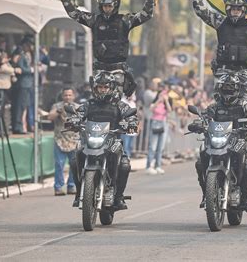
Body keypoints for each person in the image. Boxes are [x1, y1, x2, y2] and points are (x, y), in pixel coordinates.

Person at [54, 0, 158, 97]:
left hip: (118, 70)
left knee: (116, 101)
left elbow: (146, 15)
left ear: (115, 5)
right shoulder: (94, 20)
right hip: (100, 68)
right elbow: (74, 14)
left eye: (109, 5)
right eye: (104, 6)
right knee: (98, 101)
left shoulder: (125, 20)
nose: (107, 8)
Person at [189, 73, 247, 212]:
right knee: (200, 162)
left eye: (231, 88)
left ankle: (244, 200)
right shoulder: (214, 107)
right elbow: (204, 117)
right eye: (225, 88)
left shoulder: (244, 105)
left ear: (237, 89)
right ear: (220, 89)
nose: (228, 91)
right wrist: (198, 123)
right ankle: (206, 194)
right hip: (216, 140)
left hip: (238, 140)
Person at [68, 72, 138, 209]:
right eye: (100, 87)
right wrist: (74, 120)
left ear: (111, 88)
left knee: (124, 165)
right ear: (95, 88)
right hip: (90, 140)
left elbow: (131, 115)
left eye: (105, 87)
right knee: (74, 161)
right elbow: (79, 113)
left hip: (112, 141)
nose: (103, 90)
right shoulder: (89, 104)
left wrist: (131, 122)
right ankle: (78, 193)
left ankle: (118, 197)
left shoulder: (119, 104)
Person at [48, 88, 80, 196]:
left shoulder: (78, 107)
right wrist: (58, 111)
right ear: (62, 96)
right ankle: (58, 187)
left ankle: (71, 186)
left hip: (74, 140)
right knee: (59, 164)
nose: (68, 97)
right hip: (60, 140)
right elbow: (50, 117)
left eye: (70, 95)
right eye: (66, 95)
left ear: (73, 96)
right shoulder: (56, 106)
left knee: (74, 165)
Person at [146, 82, 172, 175]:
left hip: (163, 123)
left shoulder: (167, 101)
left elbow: (169, 110)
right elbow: (151, 109)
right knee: (153, 145)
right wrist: (159, 100)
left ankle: (158, 165)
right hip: (155, 122)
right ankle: (149, 166)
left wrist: (166, 101)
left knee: (160, 147)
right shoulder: (156, 101)